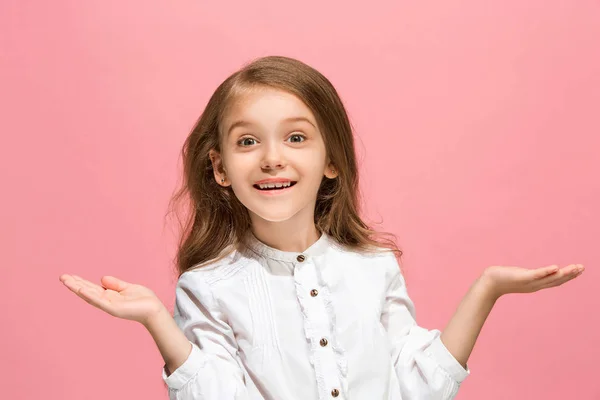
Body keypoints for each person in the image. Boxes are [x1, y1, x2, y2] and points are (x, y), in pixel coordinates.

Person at [59, 55, 584, 400]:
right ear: (219, 169)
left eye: (295, 138)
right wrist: (157, 320)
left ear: (331, 159)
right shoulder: (208, 287)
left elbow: (415, 387)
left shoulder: (374, 267)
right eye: (247, 142)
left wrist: (487, 288)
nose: (270, 159)